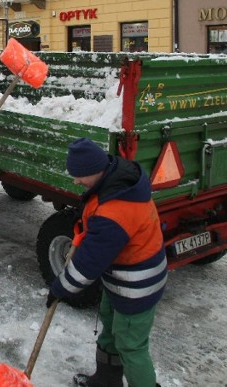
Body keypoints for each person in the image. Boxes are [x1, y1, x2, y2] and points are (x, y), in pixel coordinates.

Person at [47, 138, 167, 387]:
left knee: (131, 345)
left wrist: (60, 288)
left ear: (96, 170)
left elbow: (87, 265)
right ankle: (106, 380)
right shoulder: (114, 179)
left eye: (80, 176)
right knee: (111, 327)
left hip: (137, 286)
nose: (76, 181)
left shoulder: (116, 211)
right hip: (120, 278)